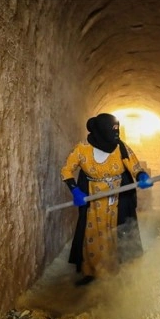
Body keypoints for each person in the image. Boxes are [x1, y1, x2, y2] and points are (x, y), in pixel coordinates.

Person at [61, 113, 153, 286]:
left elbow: (134, 166)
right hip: (93, 201)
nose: (116, 134)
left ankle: (117, 272)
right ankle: (92, 273)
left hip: (117, 200)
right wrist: (75, 190)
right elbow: (66, 170)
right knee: (93, 235)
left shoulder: (121, 147)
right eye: (112, 130)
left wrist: (141, 176)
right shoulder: (82, 149)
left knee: (116, 233)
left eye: (117, 129)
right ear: (101, 131)